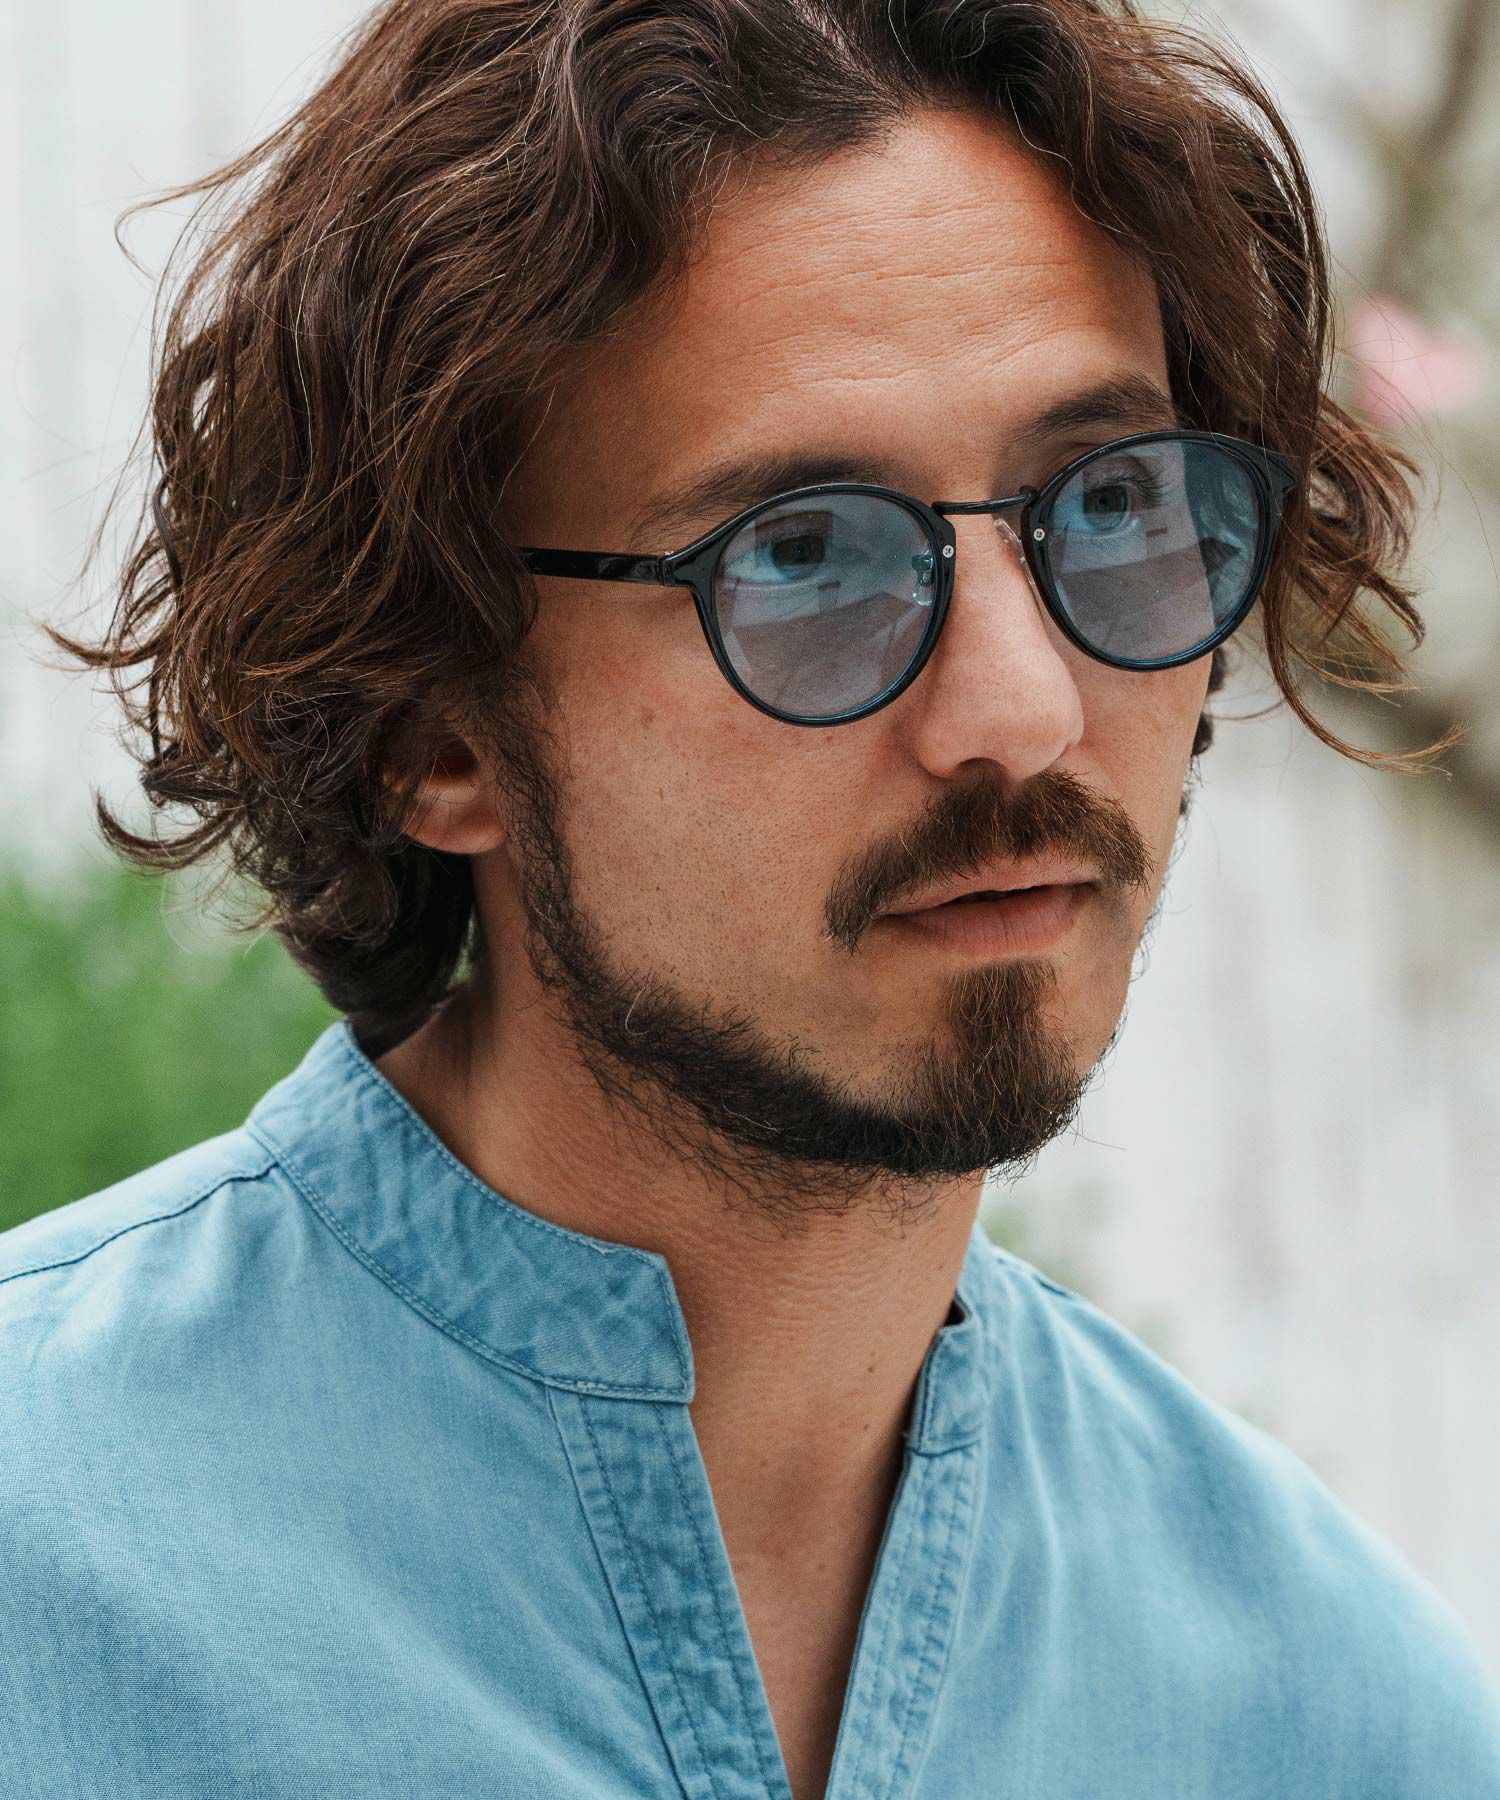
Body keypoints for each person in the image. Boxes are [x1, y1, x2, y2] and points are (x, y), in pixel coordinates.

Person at [7, 2, 1498, 1795]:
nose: (1022, 707)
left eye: (1110, 507)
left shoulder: (1337, 1719)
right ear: (427, 726)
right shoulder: (43, 1564)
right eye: (800, 555)